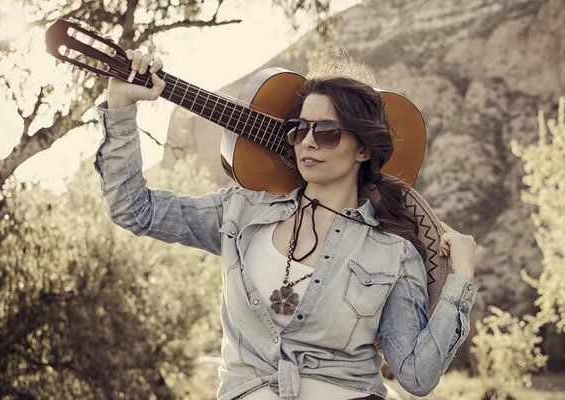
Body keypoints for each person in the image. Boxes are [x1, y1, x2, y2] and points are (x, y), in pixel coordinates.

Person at [94, 50, 478, 400]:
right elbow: (134, 209)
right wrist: (121, 107)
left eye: (326, 133)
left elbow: (416, 375)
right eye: (299, 129)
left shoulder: (393, 253)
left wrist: (461, 278)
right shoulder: (239, 213)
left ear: (363, 149)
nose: (308, 142)